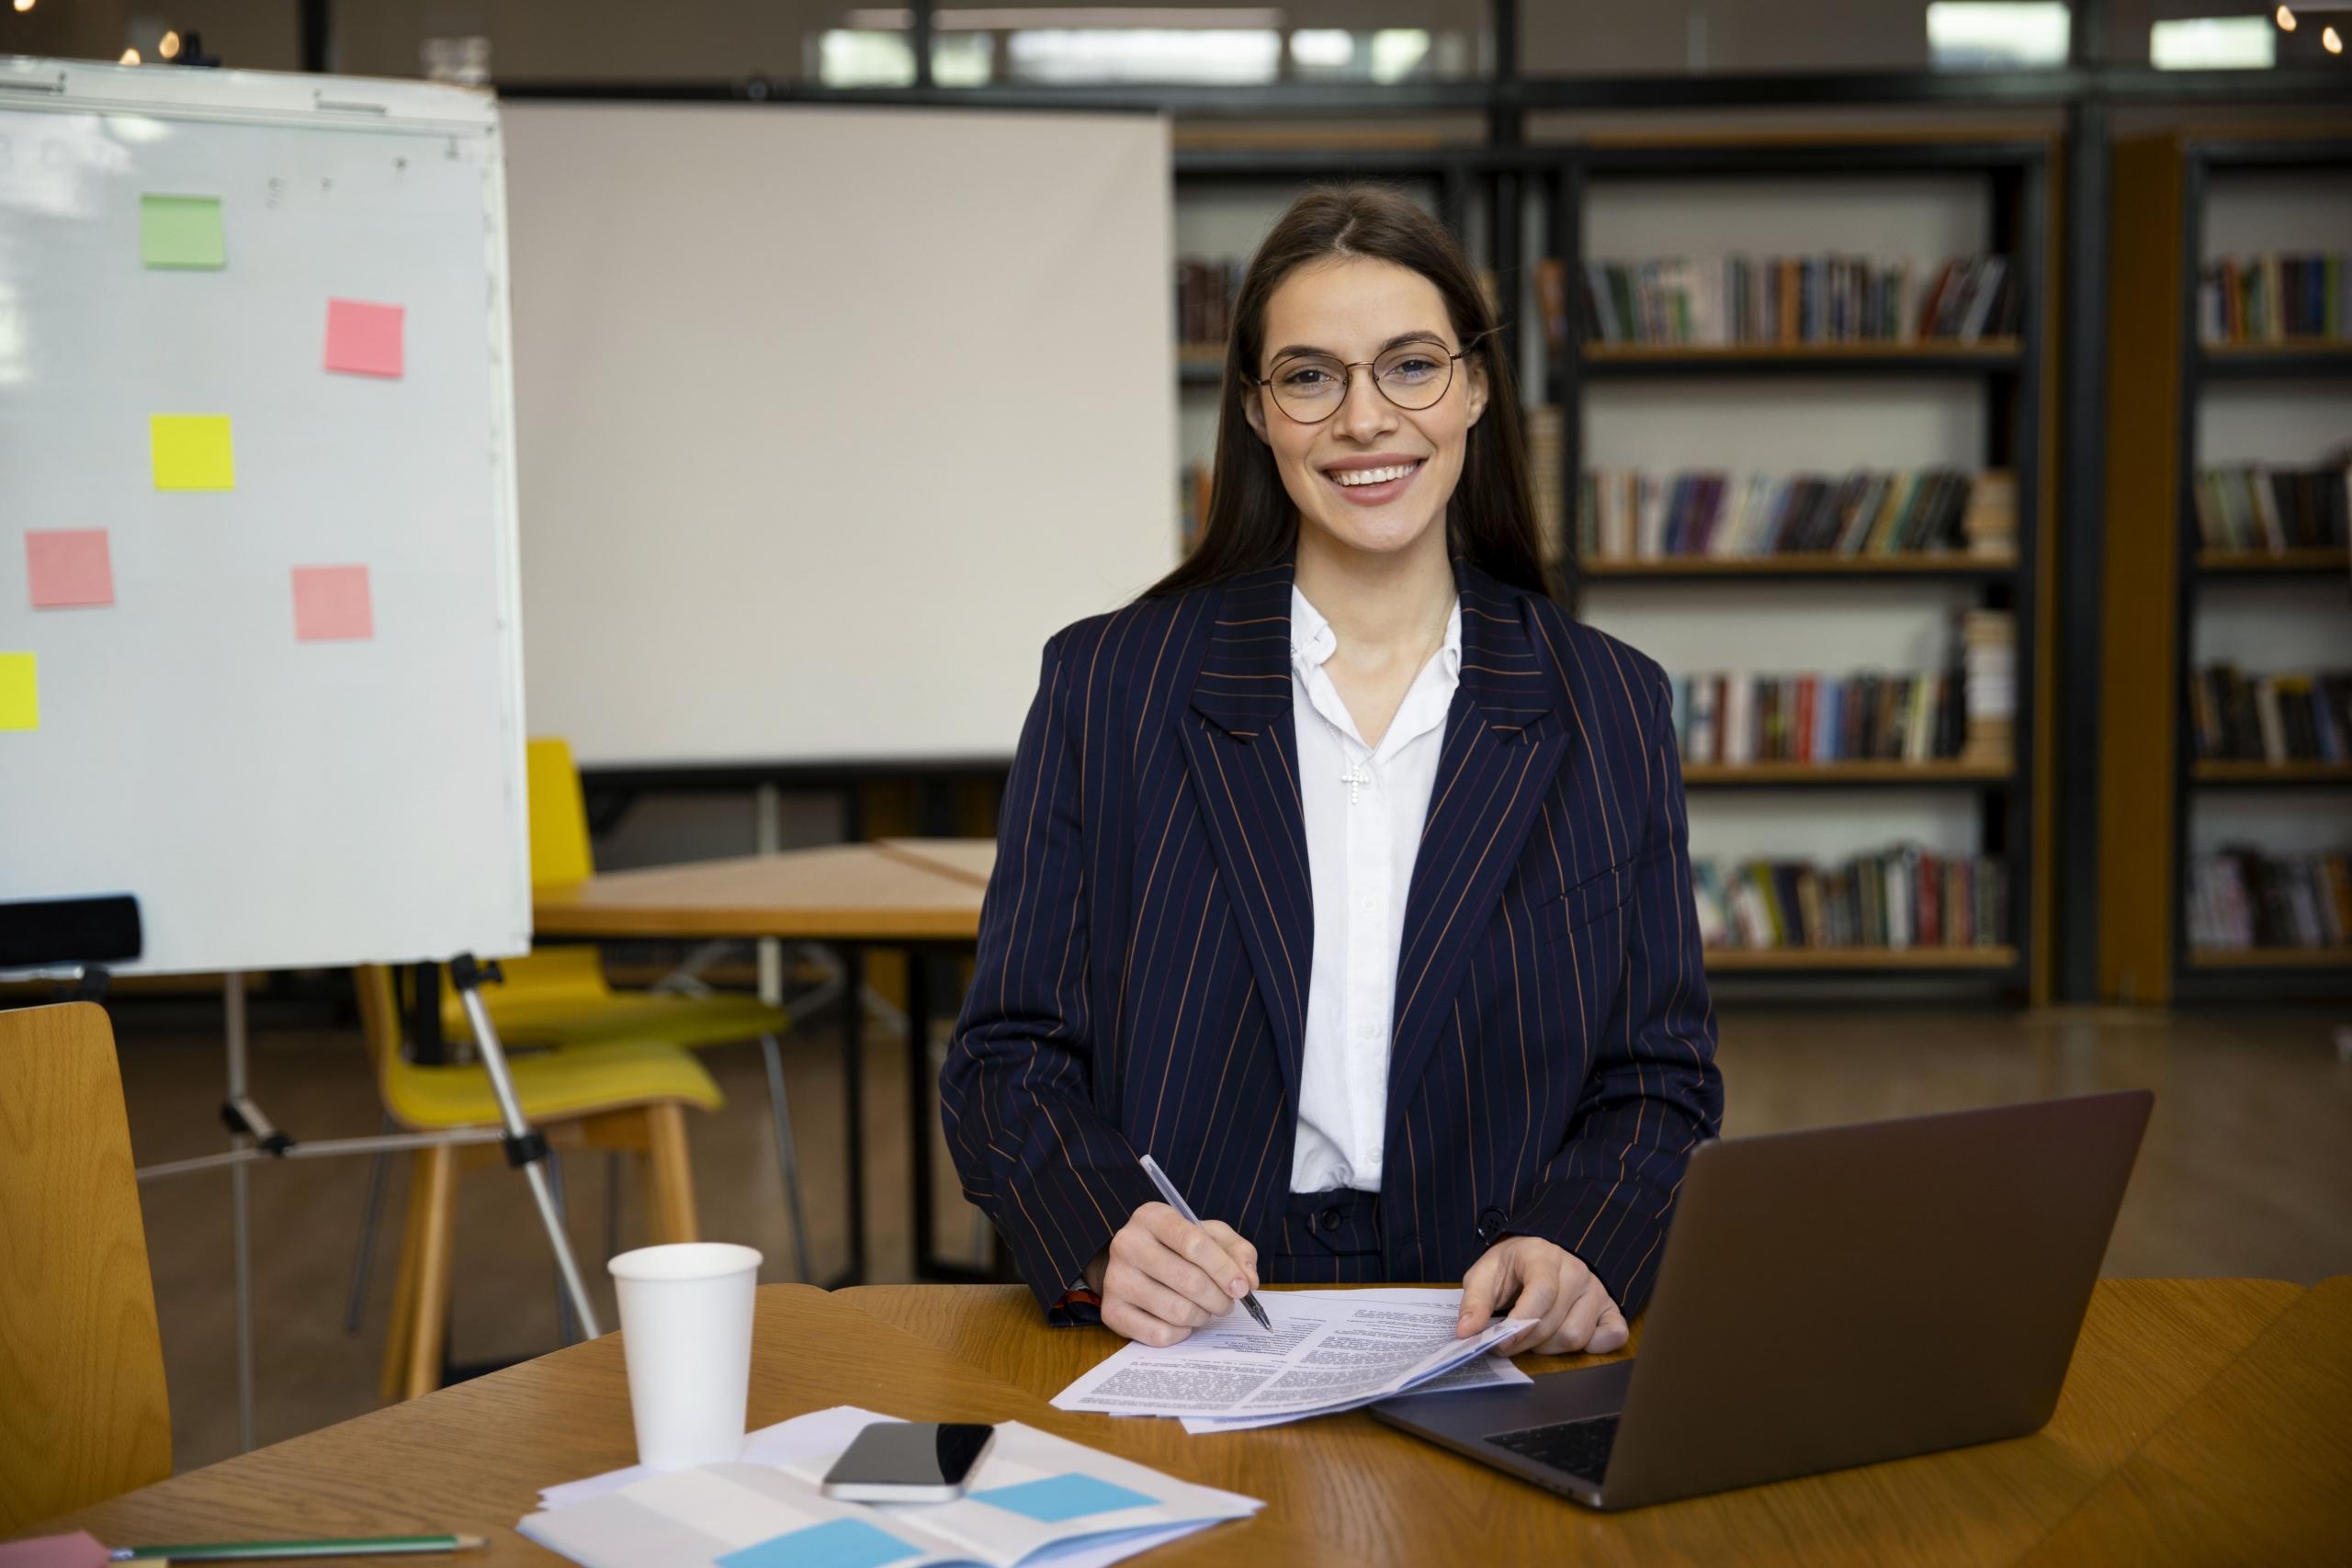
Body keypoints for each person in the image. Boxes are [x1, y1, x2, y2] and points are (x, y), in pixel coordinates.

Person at [941, 184, 1722, 1359]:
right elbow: (1007, 1060)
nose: (1364, 418)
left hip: (1488, 1328)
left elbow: (1659, 1077)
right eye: (1310, 376)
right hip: (1197, 1332)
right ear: (1258, 412)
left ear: (1472, 387)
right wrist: (1106, 1231)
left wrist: (1582, 1238)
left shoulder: (1606, 702)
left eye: (1409, 366)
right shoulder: (1109, 685)